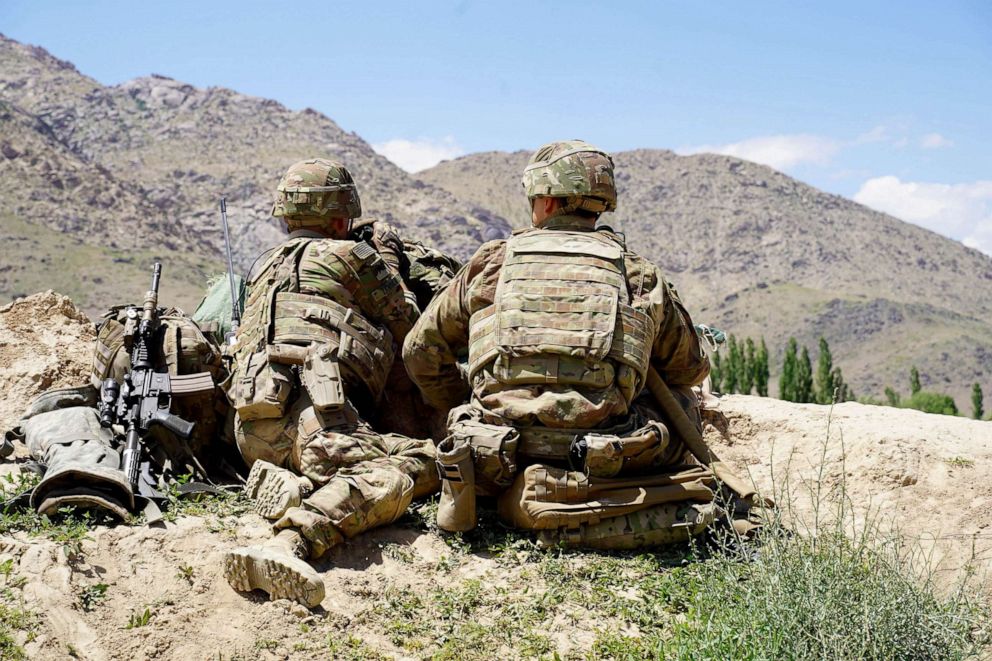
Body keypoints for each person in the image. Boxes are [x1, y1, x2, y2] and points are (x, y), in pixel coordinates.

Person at [403, 140, 723, 550]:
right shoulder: (637, 273)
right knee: (680, 402)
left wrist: (461, 397)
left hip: (494, 454)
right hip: (605, 455)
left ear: (548, 203)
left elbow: (420, 353)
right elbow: (689, 370)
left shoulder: (491, 263)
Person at [222, 158, 438, 607]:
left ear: (286, 217)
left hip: (250, 433)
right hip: (319, 429)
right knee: (422, 461)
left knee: (341, 454)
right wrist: (389, 262)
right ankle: (291, 541)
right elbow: (412, 328)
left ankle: (297, 484)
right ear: (343, 217)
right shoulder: (352, 256)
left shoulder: (263, 266)